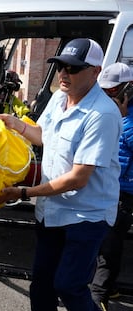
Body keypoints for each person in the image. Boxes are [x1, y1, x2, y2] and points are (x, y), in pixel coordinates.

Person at [0, 38, 122, 311]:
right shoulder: (58, 98)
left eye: (73, 68)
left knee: (69, 285)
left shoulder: (102, 114)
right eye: (61, 66)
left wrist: (24, 193)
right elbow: (43, 137)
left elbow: (78, 178)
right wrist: (13, 123)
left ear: (95, 71)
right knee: (41, 284)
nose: (64, 74)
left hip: (85, 216)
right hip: (52, 212)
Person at [90, 62, 133, 311]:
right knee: (108, 242)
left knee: (109, 246)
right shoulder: (115, 109)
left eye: (113, 91)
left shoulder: (124, 116)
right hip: (110, 185)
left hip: (122, 191)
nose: (109, 95)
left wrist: (121, 116)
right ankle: (110, 289)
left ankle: (98, 299)